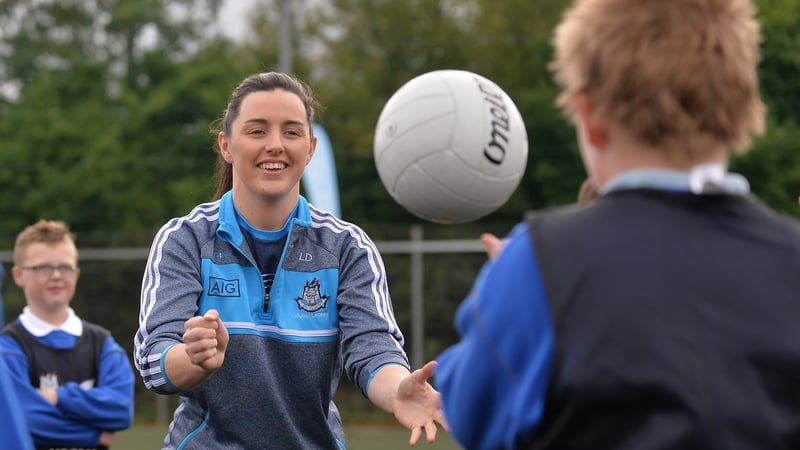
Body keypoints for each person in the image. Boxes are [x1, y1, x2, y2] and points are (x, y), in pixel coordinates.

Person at [435, 0, 800, 448]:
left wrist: (507, 285)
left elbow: (473, 409)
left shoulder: (542, 265)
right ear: (745, 112)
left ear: (588, 116)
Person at [133, 71, 446, 449]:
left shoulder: (348, 248)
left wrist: (398, 390)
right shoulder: (185, 240)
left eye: (292, 132)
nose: (276, 145)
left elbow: (372, 348)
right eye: (257, 130)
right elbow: (154, 359)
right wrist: (193, 357)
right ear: (226, 145)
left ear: (310, 149)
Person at [0, 219, 135, 449]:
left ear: (77, 273)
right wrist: (95, 436)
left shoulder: (103, 345)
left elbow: (121, 409)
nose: (56, 275)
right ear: (18, 275)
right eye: (42, 267)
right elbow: (22, 418)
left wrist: (57, 397)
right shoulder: (8, 348)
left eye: (65, 266)